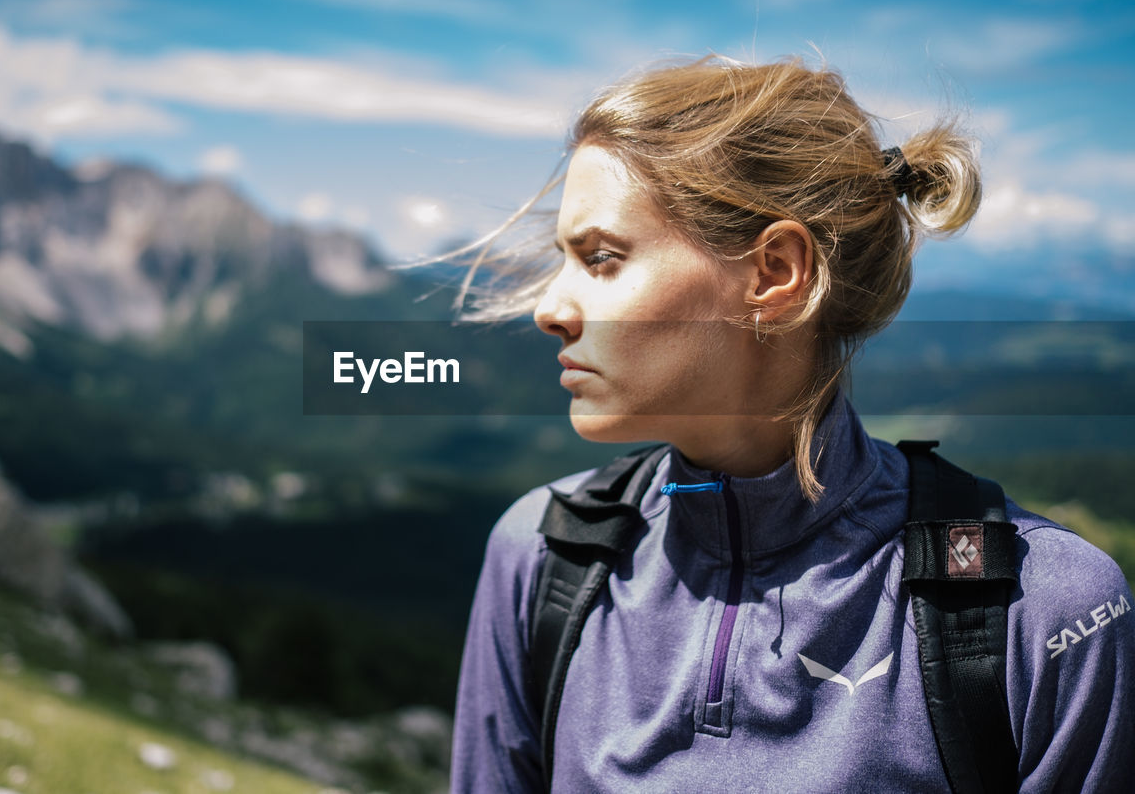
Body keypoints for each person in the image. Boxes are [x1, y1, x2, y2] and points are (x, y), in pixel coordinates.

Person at [448, 55, 1134, 792]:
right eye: (565, 259)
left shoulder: (1046, 610)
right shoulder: (542, 558)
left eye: (603, 258)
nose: (549, 308)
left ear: (775, 272)